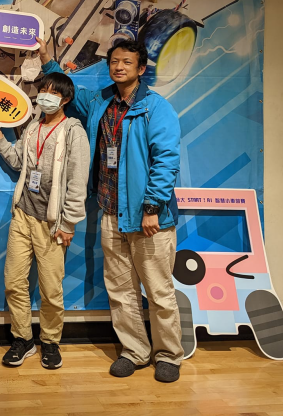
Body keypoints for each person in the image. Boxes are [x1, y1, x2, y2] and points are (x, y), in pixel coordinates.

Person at [37, 38, 184, 383]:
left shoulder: (155, 108)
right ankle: (135, 351)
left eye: (127, 62)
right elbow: (69, 90)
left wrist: (152, 207)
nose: (119, 67)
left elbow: (166, 161)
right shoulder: (100, 101)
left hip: (148, 217)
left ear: (141, 69)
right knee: (120, 290)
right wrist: (46, 59)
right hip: (109, 212)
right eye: (114, 61)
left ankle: (168, 355)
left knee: (159, 291)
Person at [0, 72, 90, 370]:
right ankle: (23, 339)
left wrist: (68, 223)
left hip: (52, 223)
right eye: (43, 90)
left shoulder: (73, 132)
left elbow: (77, 182)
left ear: (65, 99)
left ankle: (50, 341)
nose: (45, 96)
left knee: (51, 289)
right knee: (13, 282)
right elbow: (18, 162)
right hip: (22, 215)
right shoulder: (33, 127)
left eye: (53, 92)